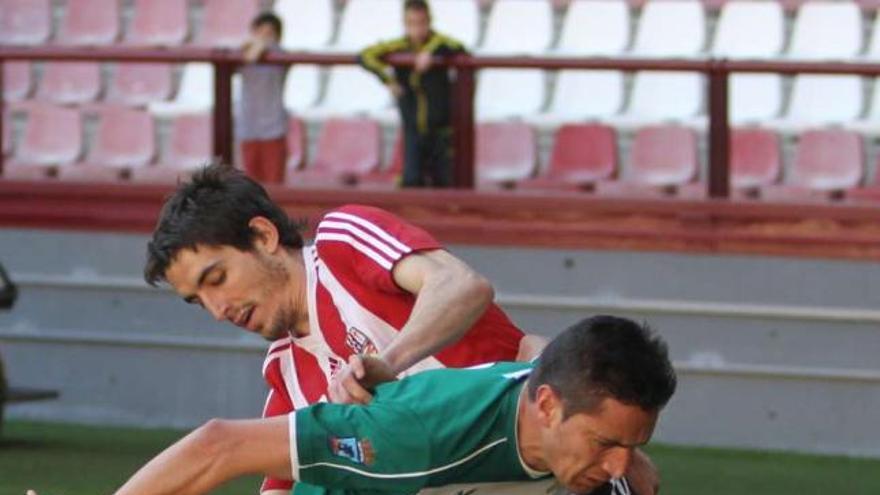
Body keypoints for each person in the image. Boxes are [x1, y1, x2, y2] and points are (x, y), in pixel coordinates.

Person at [142, 164, 546, 494]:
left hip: (552, 456)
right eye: (199, 300)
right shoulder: (284, 373)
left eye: (216, 278)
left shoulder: (341, 242)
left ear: (263, 236)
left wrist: (388, 362)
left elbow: (462, 286)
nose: (217, 310)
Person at [99, 315, 678, 495]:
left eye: (633, 444)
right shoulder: (413, 437)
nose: (622, 465)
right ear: (547, 406)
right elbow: (221, 443)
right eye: (607, 445)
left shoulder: (563, 393)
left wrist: (619, 458)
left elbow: (537, 349)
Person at [359, 0, 465, 188]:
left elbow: (460, 48)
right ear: (405, 23)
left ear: (429, 21)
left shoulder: (440, 43)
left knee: (445, 183)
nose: (417, 29)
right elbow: (364, 56)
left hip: (440, 131)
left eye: (421, 23)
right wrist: (388, 81)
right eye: (412, 23)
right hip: (412, 129)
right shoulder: (398, 46)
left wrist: (431, 55)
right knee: (411, 180)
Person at [239, 12, 288, 184]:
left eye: (269, 33)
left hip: (273, 129)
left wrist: (258, 45)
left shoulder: (280, 55)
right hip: (248, 128)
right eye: (260, 32)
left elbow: (256, 52)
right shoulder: (241, 53)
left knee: (274, 185)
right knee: (250, 185)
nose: (264, 37)